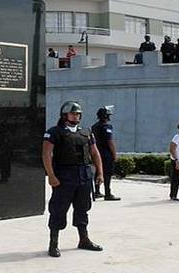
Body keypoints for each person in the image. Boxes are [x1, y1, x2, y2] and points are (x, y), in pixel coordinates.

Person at [42, 101, 104, 258]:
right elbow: (46, 154)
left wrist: (100, 173)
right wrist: (51, 175)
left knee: (83, 209)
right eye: (73, 113)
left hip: (84, 176)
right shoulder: (54, 132)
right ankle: (53, 244)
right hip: (64, 177)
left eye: (78, 114)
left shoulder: (86, 132)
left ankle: (84, 239)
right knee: (58, 210)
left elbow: (95, 153)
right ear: (64, 115)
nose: (76, 116)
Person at [92, 106, 121, 201]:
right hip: (106, 153)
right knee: (107, 174)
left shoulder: (94, 126)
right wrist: (114, 154)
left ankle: (96, 191)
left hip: (97, 152)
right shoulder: (106, 127)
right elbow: (110, 141)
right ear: (106, 116)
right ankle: (108, 193)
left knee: (98, 171)